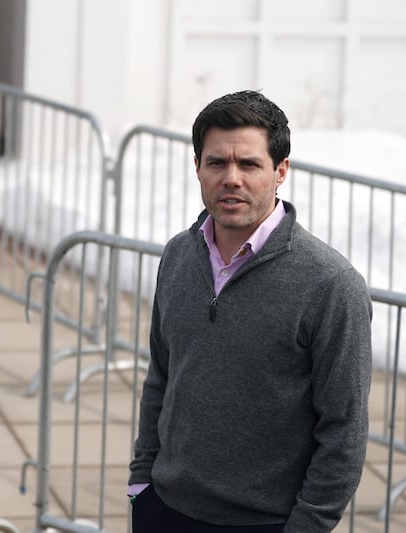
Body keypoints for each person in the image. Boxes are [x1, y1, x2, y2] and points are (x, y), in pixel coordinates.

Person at [128, 90, 372, 532]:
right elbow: (162, 376)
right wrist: (141, 485)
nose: (232, 179)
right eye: (217, 162)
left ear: (280, 172)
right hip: (164, 510)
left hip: (265, 524)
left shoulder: (331, 285)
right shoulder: (179, 255)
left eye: (250, 165)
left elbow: (344, 431)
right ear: (197, 167)